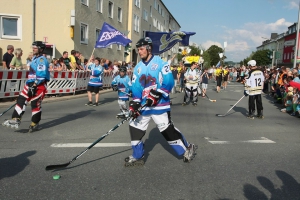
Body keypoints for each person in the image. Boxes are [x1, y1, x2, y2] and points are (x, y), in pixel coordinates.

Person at [125, 37, 197, 166]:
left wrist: (158, 93)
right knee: (134, 127)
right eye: (138, 49)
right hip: (144, 105)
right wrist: (135, 102)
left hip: (160, 104)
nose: (139, 52)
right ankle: (138, 155)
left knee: (167, 130)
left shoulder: (161, 63)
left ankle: (187, 149)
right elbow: (136, 86)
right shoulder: (138, 67)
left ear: (149, 48)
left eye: (141, 49)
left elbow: (168, 81)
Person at [2, 41, 50, 132]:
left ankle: (35, 122)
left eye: (35, 48)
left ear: (41, 49)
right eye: (33, 47)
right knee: (21, 99)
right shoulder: (35, 58)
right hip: (30, 83)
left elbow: (42, 75)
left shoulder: (41, 60)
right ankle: (16, 119)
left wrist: (35, 85)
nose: (33, 49)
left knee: (35, 103)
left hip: (38, 85)